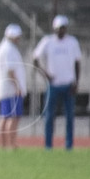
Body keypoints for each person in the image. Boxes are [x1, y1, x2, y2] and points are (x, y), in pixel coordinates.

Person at [32, 15, 82, 150]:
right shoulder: (47, 42)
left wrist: (77, 82)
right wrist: (45, 74)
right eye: (59, 28)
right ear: (54, 28)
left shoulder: (72, 42)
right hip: (53, 85)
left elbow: (77, 62)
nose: (61, 31)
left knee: (70, 117)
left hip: (68, 84)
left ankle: (69, 145)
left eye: (63, 28)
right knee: (49, 117)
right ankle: (48, 145)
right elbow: (35, 59)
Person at [0, 23, 27, 149]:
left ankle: (3, 144)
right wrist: (17, 86)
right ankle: (10, 144)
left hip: (4, 88)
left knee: (5, 116)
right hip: (11, 89)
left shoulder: (1, 49)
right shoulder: (9, 50)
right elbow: (10, 70)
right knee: (12, 117)